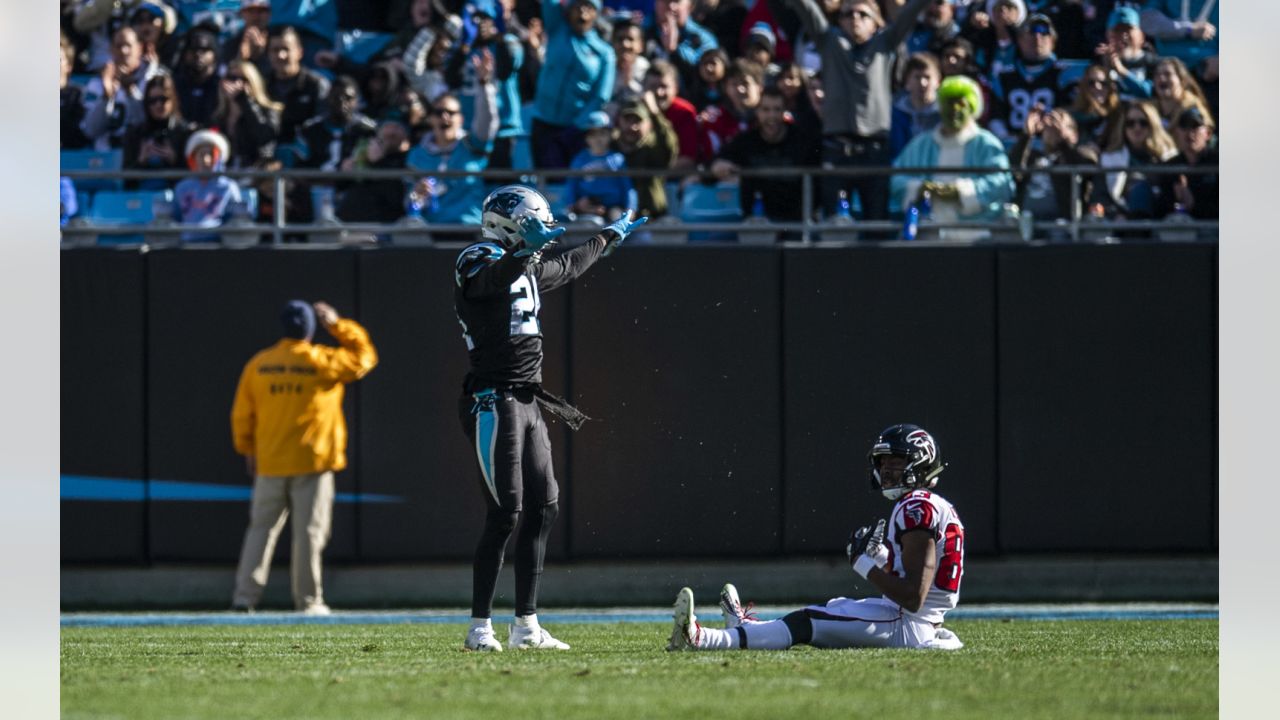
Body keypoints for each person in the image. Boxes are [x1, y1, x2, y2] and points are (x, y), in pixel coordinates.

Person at [454, 184, 649, 651]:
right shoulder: (475, 257)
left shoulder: (525, 265)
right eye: (530, 224)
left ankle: (527, 626)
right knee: (505, 512)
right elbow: (492, 280)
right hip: (492, 398)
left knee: (544, 507)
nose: (541, 234)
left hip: (527, 400)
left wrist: (606, 237)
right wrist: (523, 248)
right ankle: (479, 627)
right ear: (508, 225)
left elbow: (568, 265)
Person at [668, 423, 965, 652]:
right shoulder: (935, 505)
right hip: (911, 620)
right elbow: (916, 578)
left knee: (807, 621)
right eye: (883, 462)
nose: (886, 469)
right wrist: (881, 559)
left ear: (921, 462)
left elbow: (913, 596)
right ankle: (747, 627)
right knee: (831, 608)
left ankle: (700, 638)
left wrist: (863, 563)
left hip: (906, 623)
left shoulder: (916, 506)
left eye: (896, 461)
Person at [230, 300, 378, 614]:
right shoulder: (322, 360)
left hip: (270, 462)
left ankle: (244, 598)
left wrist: (247, 450)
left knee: (260, 530)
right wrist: (337, 324)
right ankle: (308, 602)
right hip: (313, 462)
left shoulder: (260, 364)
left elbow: (242, 415)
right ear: (310, 329)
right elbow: (364, 357)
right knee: (309, 534)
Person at [782, 0, 933, 229]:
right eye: (847, 14)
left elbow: (909, 13)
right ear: (839, 20)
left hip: (875, 150)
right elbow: (807, 8)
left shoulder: (886, 43)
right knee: (834, 227)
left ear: (876, 22)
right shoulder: (829, 42)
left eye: (863, 14)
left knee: (876, 225)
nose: (854, 19)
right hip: (836, 149)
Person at [891, 75, 1014, 242]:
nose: (955, 109)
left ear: (972, 107)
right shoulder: (921, 144)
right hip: (928, 236)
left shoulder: (986, 144)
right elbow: (897, 178)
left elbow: (1002, 183)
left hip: (978, 236)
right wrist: (920, 188)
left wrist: (960, 192)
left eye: (961, 103)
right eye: (950, 102)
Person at [407, 53, 500, 234]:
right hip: (431, 235)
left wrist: (484, 85)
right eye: (439, 112)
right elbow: (410, 202)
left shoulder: (472, 145)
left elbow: (487, 122)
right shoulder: (417, 154)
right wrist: (416, 195)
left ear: (461, 119)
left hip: (470, 230)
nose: (445, 117)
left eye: (451, 112)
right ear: (430, 119)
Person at [711, 86, 821, 233]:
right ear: (757, 112)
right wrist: (718, 164)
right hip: (757, 223)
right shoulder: (746, 141)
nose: (771, 116)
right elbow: (716, 161)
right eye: (766, 110)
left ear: (784, 112)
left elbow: (819, 178)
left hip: (796, 224)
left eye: (777, 109)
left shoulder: (803, 141)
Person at [530, 0, 616, 169]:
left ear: (596, 14)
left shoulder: (604, 53)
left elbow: (601, 96)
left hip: (574, 130)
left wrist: (577, 126)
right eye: (577, 6)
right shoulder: (557, 29)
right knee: (544, 181)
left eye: (589, 7)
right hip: (543, 122)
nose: (582, 12)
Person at [81, 25, 169, 151]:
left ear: (139, 48)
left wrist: (130, 91)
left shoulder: (155, 80)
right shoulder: (96, 84)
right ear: (111, 49)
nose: (124, 51)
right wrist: (106, 97)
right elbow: (90, 130)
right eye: (118, 46)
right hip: (105, 159)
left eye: (128, 45)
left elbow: (151, 124)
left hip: (142, 156)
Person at [1010, 106, 1099, 226]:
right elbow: (1013, 171)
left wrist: (1063, 141)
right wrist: (1027, 135)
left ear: (1075, 135)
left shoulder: (1083, 154)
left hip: (1062, 225)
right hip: (1027, 222)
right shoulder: (1033, 157)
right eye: (1048, 127)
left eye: (1060, 124)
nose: (1052, 129)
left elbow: (1086, 171)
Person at [1091, 99, 1177, 224]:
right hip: (1122, 221)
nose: (1137, 128)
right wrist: (1115, 215)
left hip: (1161, 219)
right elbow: (1100, 197)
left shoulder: (1169, 156)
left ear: (1153, 125)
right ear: (1123, 127)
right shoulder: (1110, 159)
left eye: (1143, 123)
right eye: (1130, 123)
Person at [987, 13, 1067, 144]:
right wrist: (1007, 141)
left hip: (1053, 147)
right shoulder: (1004, 76)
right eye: (1031, 32)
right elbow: (996, 116)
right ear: (1019, 39)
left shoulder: (1063, 73)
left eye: (1044, 33)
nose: (1037, 38)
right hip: (1013, 147)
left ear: (1053, 41)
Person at [172, 129, 243, 243]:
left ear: (219, 158)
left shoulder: (228, 187)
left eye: (210, 154)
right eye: (201, 154)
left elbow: (236, 220)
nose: (206, 160)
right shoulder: (182, 187)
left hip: (217, 246)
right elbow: (176, 217)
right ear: (193, 158)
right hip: (186, 245)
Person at [615, 95, 680, 220]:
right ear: (619, 121)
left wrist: (656, 114)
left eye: (637, 121)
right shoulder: (610, 149)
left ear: (649, 124)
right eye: (627, 120)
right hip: (614, 218)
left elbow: (669, 146)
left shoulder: (653, 151)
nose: (632, 127)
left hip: (652, 218)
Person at [565, 111, 637, 222]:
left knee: (618, 220)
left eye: (602, 134)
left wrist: (630, 209)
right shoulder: (579, 160)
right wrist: (575, 205)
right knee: (585, 224)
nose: (598, 139)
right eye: (593, 134)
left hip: (613, 207)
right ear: (586, 138)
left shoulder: (617, 159)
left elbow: (627, 188)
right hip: (587, 208)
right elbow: (571, 186)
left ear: (610, 135)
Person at [122, 75, 196, 183]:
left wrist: (174, 160)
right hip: (142, 194)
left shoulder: (185, 133)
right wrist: (141, 161)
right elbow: (126, 180)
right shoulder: (135, 134)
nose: (158, 105)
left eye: (163, 99)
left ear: (172, 99)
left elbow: (193, 179)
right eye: (152, 101)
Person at [212, 59, 283, 170]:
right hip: (226, 173)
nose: (237, 84)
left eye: (244, 79)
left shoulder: (269, 111)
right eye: (231, 78)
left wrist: (244, 101)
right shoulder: (219, 116)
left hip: (258, 173)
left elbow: (265, 137)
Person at [265, 25, 331, 143]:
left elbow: (324, 125)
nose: (281, 55)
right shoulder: (262, 84)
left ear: (299, 52)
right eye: (275, 50)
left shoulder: (316, 85)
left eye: (286, 49)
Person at [1154, 105, 1217, 225]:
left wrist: (1194, 204)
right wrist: (1175, 202)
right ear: (1177, 132)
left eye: (1195, 126)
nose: (1190, 132)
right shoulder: (1170, 167)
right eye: (1184, 127)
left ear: (1208, 133)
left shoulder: (1218, 163)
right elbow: (1160, 211)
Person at [645, 0, 720, 92]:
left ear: (691, 6)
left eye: (677, 1)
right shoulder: (640, 33)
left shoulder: (703, 39)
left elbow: (704, 77)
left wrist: (674, 51)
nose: (671, 7)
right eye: (666, 1)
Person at [643, 60, 703, 172]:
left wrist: (656, 177)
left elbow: (687, 159)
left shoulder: (685, 112)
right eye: (652, 86)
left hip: (673, 179)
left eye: (664, 86)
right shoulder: (635, 110)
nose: (659, 92)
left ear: (676, 88)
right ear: (644, 88)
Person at [1095, 6, 1158, 102]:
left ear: (1141, 35)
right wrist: (1106, 70)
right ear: (1107, 35)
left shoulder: (1154, 63)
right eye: (1118, 31)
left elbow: (1151, 93)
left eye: (1128, 30)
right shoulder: (1099, 63)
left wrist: (1121, 71)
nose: (1124, 36)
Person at [890, 52, 943, 158]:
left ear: (938, 82)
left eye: (927, 77)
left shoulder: (945, 115)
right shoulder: (893, 114)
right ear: (907, 82)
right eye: (917, 77)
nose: (922, 83)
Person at [173, 25, 222, 127]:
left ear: (214, 54)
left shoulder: (222, 86)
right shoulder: (175, 85)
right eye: (193, 49)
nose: (198, 54)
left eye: (204, 50)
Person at [1067, 63, 1119, 150]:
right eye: (1091, 83)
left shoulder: (1119, 114)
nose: (1098, 87)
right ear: (1083, 87)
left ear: (1111, 87)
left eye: (1103, 83)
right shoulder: (1072, 116)